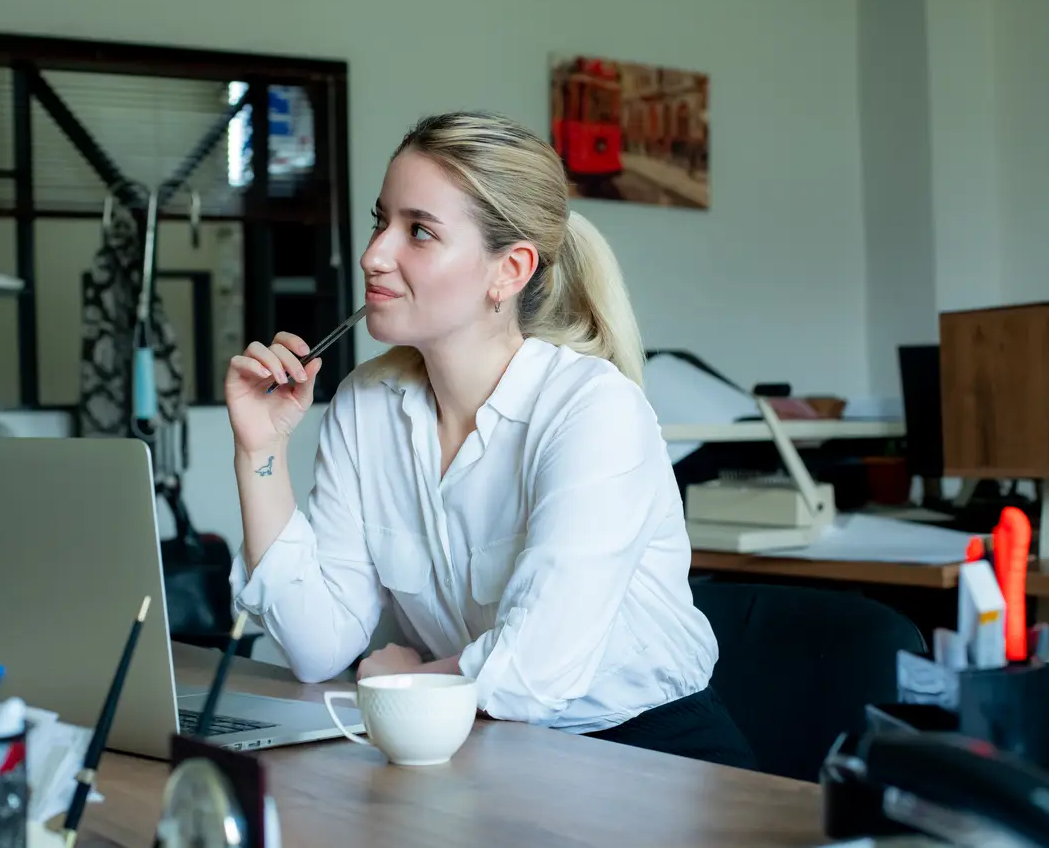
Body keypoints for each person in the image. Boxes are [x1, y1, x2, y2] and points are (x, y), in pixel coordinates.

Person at [225, 111, 755, 769]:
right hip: (484, 741)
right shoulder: (365, 405)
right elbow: (316, 644)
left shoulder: (593, 409)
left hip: (653, 753)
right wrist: (259, 451)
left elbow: (532, 667)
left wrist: (408, 679)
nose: (373, 254)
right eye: (380, 219)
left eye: (418, 230)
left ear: (509, 271)